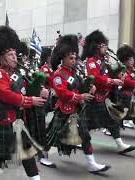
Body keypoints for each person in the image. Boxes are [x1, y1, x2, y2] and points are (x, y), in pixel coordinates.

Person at [0, 26, 44, 180]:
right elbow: (6, 94)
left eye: (15, 54)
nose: (15, 57)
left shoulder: (18, 73)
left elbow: (26, 89)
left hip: (17, 121)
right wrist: (29, 100)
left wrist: (40, 91)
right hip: (1, 120)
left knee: (27, 153)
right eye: (10, 55)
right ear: (2, 57)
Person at [46, 34, 110, 173]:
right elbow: (62, 93)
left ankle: (91, 163)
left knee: (84, 135)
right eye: (71, 58)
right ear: (62, 58)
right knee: (52, 136)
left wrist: (90, 88)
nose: (74, 60)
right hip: (64, 110)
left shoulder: (74, 72)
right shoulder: (58, 74)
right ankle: (42, 155)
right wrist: (80, 96)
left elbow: (80, 86)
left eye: (75, 58)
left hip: (76, 110)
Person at [81, 30, 135, 154]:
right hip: (94, 97)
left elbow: (108, 74)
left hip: (105, 97)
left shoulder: (104, 61)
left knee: (108, 120)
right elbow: (95, 78)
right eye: (103, 45)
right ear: (96, 46)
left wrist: (119, 75)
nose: (106, 47)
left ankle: (119, 144)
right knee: (90, 123)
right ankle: (81, 140)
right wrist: (112, 81)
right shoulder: (91, 61)